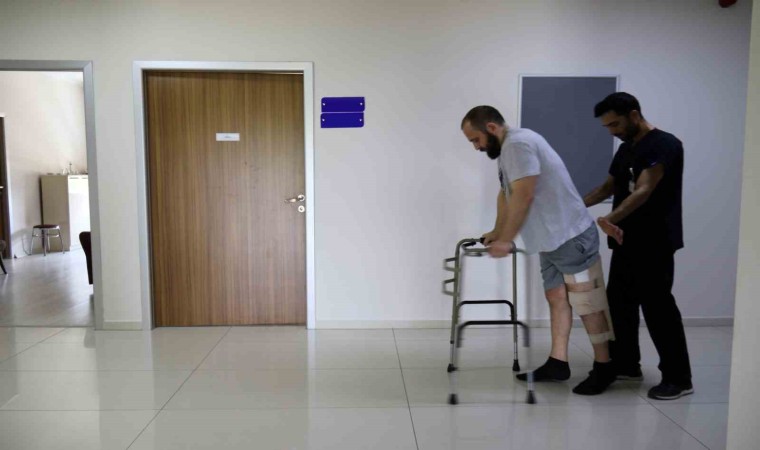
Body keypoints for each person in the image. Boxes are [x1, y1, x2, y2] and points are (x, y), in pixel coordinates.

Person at [461, 105, 616, 395]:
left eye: (476, 140)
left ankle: (605, 366)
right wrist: (497, 231)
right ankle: (558, 363)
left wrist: (506, 239)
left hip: (570, 236)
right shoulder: (507, 150)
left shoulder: (519, 145)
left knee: (588, 303)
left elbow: (525, 195)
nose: (476, 147)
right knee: (556, 298)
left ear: (491, 128)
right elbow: (507, 193)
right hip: (551, 240)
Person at [583, 92, 693, 400]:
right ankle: (627, 364)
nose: (612, 131)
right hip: (625, 240)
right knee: (619, 303)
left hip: (655, 240)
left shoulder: (665, 144)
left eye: (615, 124)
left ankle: (679, 378)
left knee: (658, 308)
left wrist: (609, 218)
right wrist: (573, 208)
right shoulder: (625, 148)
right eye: (607, 126)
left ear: (634, 114)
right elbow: (608, 187)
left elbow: (644, 189)